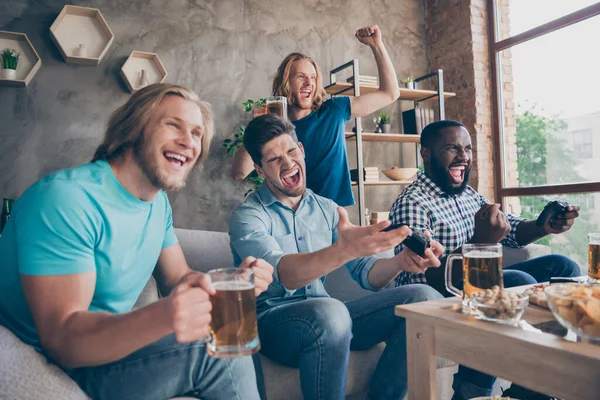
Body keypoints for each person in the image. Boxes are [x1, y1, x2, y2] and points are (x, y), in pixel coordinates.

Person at [0, 83, 274, 400]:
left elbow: (178, 278)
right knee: (217, 351)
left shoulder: (157, 205)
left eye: (197, 133)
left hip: (107, 351)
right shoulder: (67, 199)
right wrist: (162, 315)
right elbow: (62, 340)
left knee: (234, 328)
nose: (188, 142)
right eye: (174, 125)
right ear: (134, 129)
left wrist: (226, 285)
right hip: (60, 362)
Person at [229, 114, 445, 400]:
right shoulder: (248, 216)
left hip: (331, 319)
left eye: (291, 151)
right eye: (273, 159)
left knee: (423, 298)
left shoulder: (328, 209)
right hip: (273, 325)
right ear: (259, 169)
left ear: (302, 150)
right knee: (331, 311)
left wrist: (399, 262)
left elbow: (367, 275)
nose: (287, 162)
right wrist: (346, 249)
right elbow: (286, 274)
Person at [389, 119, 581, 400]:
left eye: (467, 148)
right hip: (439, 300)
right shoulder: (413, 203)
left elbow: (511, 229)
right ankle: (470, 392)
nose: (464, 156)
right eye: (453, 148)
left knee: (564, 267)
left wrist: (542, 225)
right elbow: (420, 278)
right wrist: (480, 244)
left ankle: (533, 390)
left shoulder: (467, 194)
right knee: (515, 282)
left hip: (480, 288)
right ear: (427, 154)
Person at [232, 25, 400, 206]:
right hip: (295, 218)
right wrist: (258, 126)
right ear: (285, 83)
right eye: (301, 77)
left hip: (335, 216)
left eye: (313, 78)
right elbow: (239, 172)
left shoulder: (334, 110)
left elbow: (390, 93)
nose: (309, 83)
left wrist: (377, 45)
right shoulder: (276, 128)